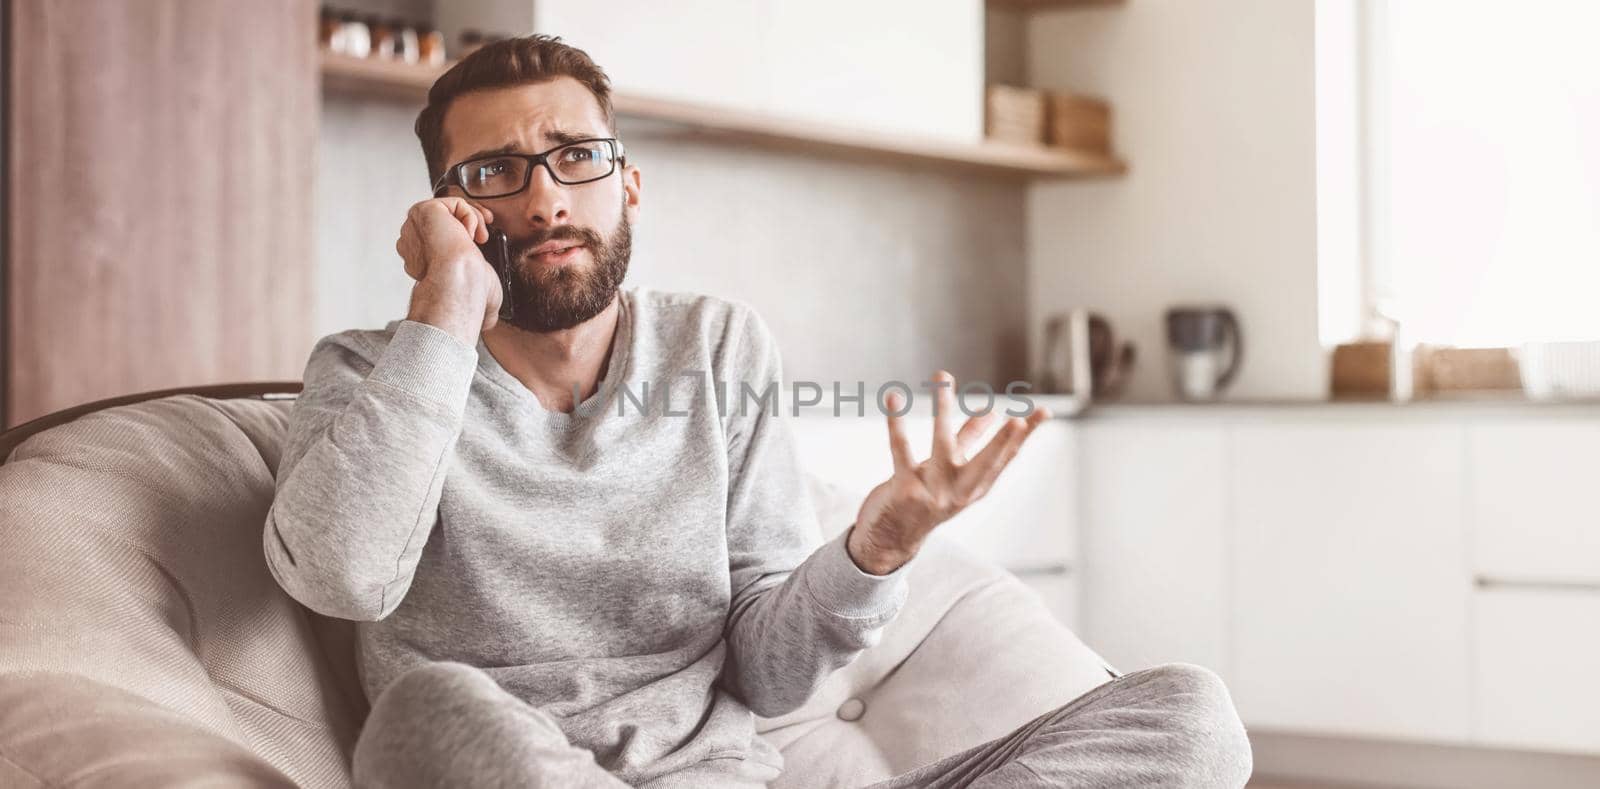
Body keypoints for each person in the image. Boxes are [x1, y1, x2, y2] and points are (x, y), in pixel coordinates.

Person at [262, 34, 1252, 788]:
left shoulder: (716, 346)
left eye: (576, 157)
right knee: (429, 712)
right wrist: (444, 305)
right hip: (514, 771)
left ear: (629, 185)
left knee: (1189, 717)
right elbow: (344, 576)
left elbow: (771, 677)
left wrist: (879, 545)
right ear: (444, 212)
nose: (545, 199)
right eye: (493, 174)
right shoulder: (369, 373)